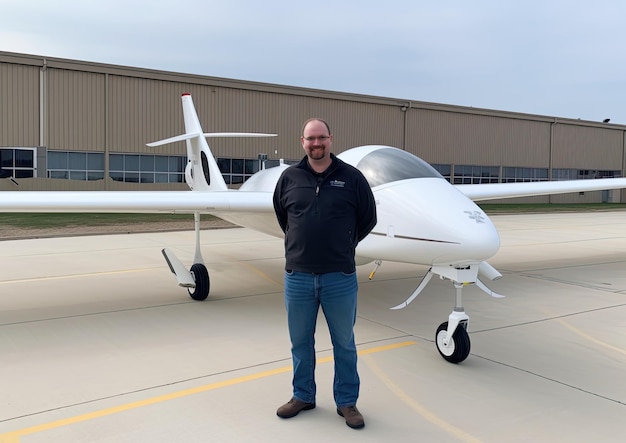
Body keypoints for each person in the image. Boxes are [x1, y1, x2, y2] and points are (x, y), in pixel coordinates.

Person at [272, 118, 377, 429]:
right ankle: (302, 395)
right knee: (300, 342)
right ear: (302, 142)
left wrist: (343, 245)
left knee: (344, 343)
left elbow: (367, 218)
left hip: (339, 278)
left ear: (330, 139)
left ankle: (347, 402)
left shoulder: (352, 178)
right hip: (298, 276)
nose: (316, 144)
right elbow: (283, 216)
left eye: (321, 138)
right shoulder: (290, 177)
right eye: (310, 139)